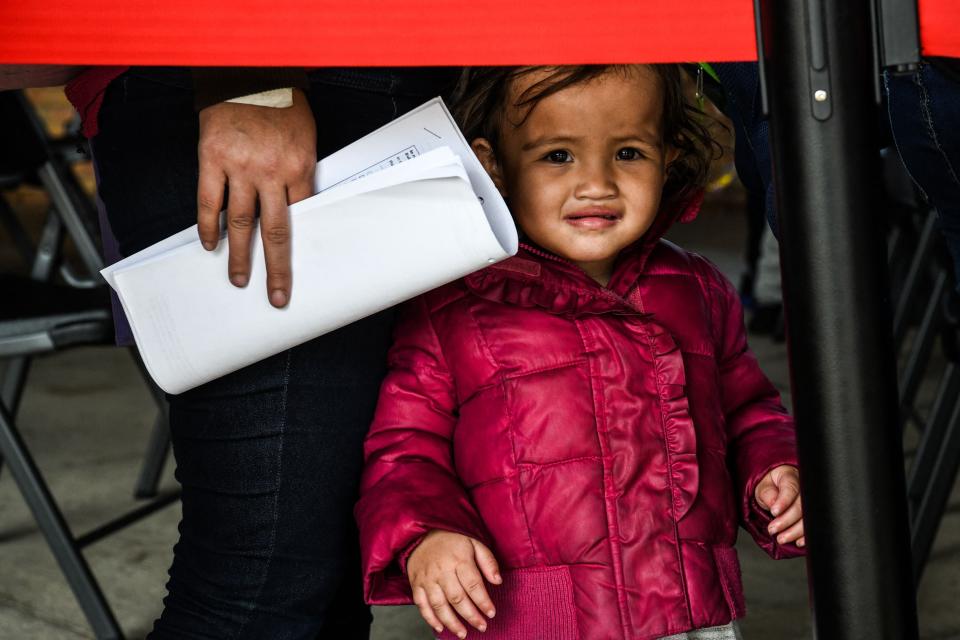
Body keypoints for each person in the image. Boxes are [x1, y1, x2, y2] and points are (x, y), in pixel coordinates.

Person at [355, 64, 805, 640]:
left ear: (669, 156)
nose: (596, 183)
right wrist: (427, 533)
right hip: (528, 621)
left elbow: (747, 411)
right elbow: (405, 447)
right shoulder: (452, 311)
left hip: (693, 616)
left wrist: (775, 468)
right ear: (495, 163)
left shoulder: (698, 289)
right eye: (558, 156)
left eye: (629, 153)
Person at [78, 65, 459, 638]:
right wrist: (248, 80)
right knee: (259, 586)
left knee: (326, 582)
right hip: (270, 80)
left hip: (387, 76)